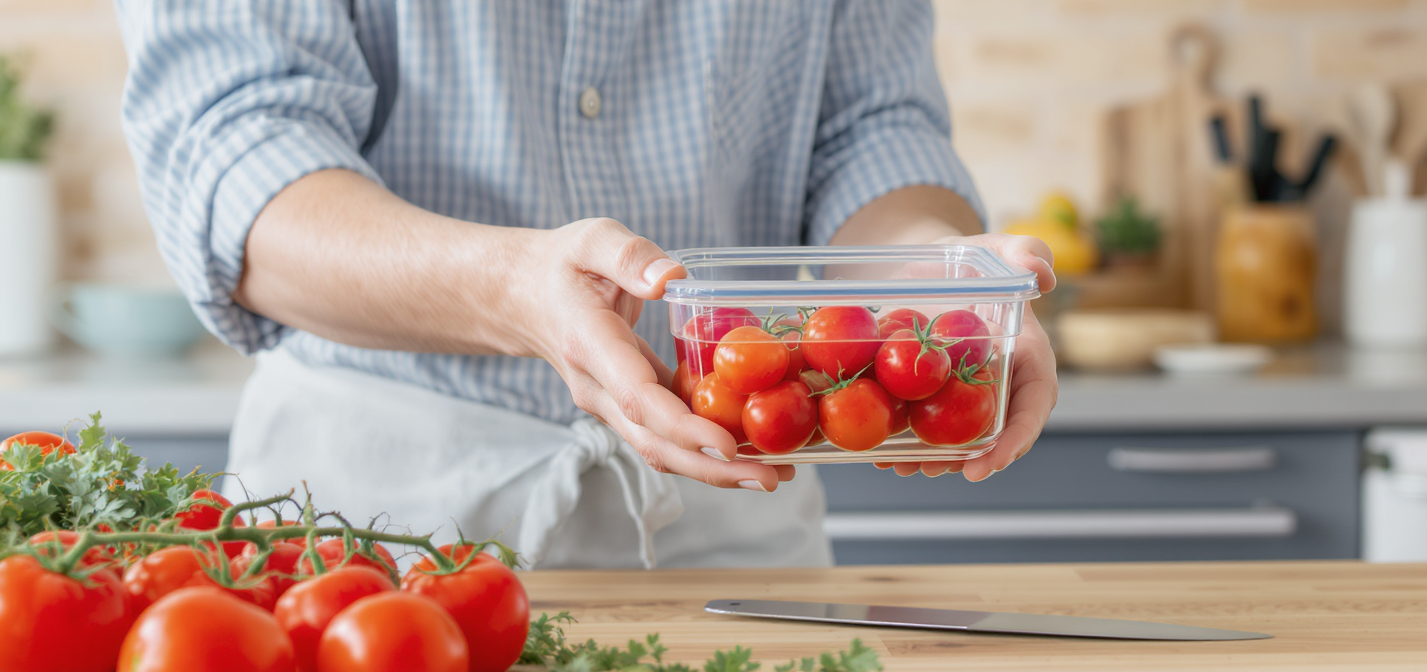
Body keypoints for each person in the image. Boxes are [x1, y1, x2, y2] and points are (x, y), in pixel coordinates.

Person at [115, 0, 1058, 569]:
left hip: (730, 529)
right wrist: (508, 289)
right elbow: (241, 164)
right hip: (365, 536)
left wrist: (935, 283)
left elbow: (872, 128)